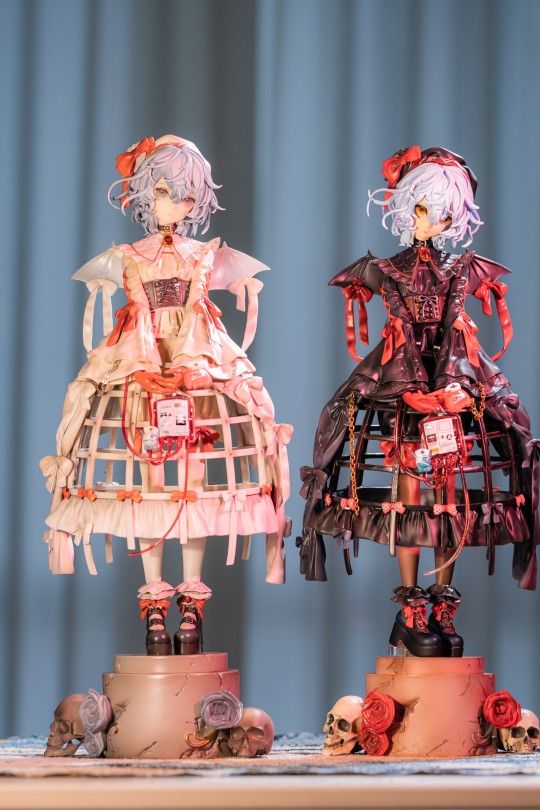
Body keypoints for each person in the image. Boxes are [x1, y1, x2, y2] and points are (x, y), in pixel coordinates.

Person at [41, 135, 291, 655]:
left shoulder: (205, 255)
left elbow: (198, 315)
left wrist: (189, 368)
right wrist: (146, 366)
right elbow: (137, 316)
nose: (173, 205)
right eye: (162, 193)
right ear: (142, 195)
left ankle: (192, 602)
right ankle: (154, 601)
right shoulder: (130, 257)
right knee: (148, 477)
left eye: (184, 196)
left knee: (193, 478)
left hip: (196, 360)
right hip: (141, 359)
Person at [298, 146, 538, 657]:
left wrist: (454, 384)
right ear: (407, 205)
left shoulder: (462, 267)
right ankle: (410, 608)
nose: (431, 220)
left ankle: (442, 603)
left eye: (443, 212)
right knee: (406, 489)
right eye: (424, 207)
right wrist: (408, 386)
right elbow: (399, 326)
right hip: (398, 374)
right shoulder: (385, 269)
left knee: (452, 489)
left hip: (451, 370)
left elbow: (455, 324)